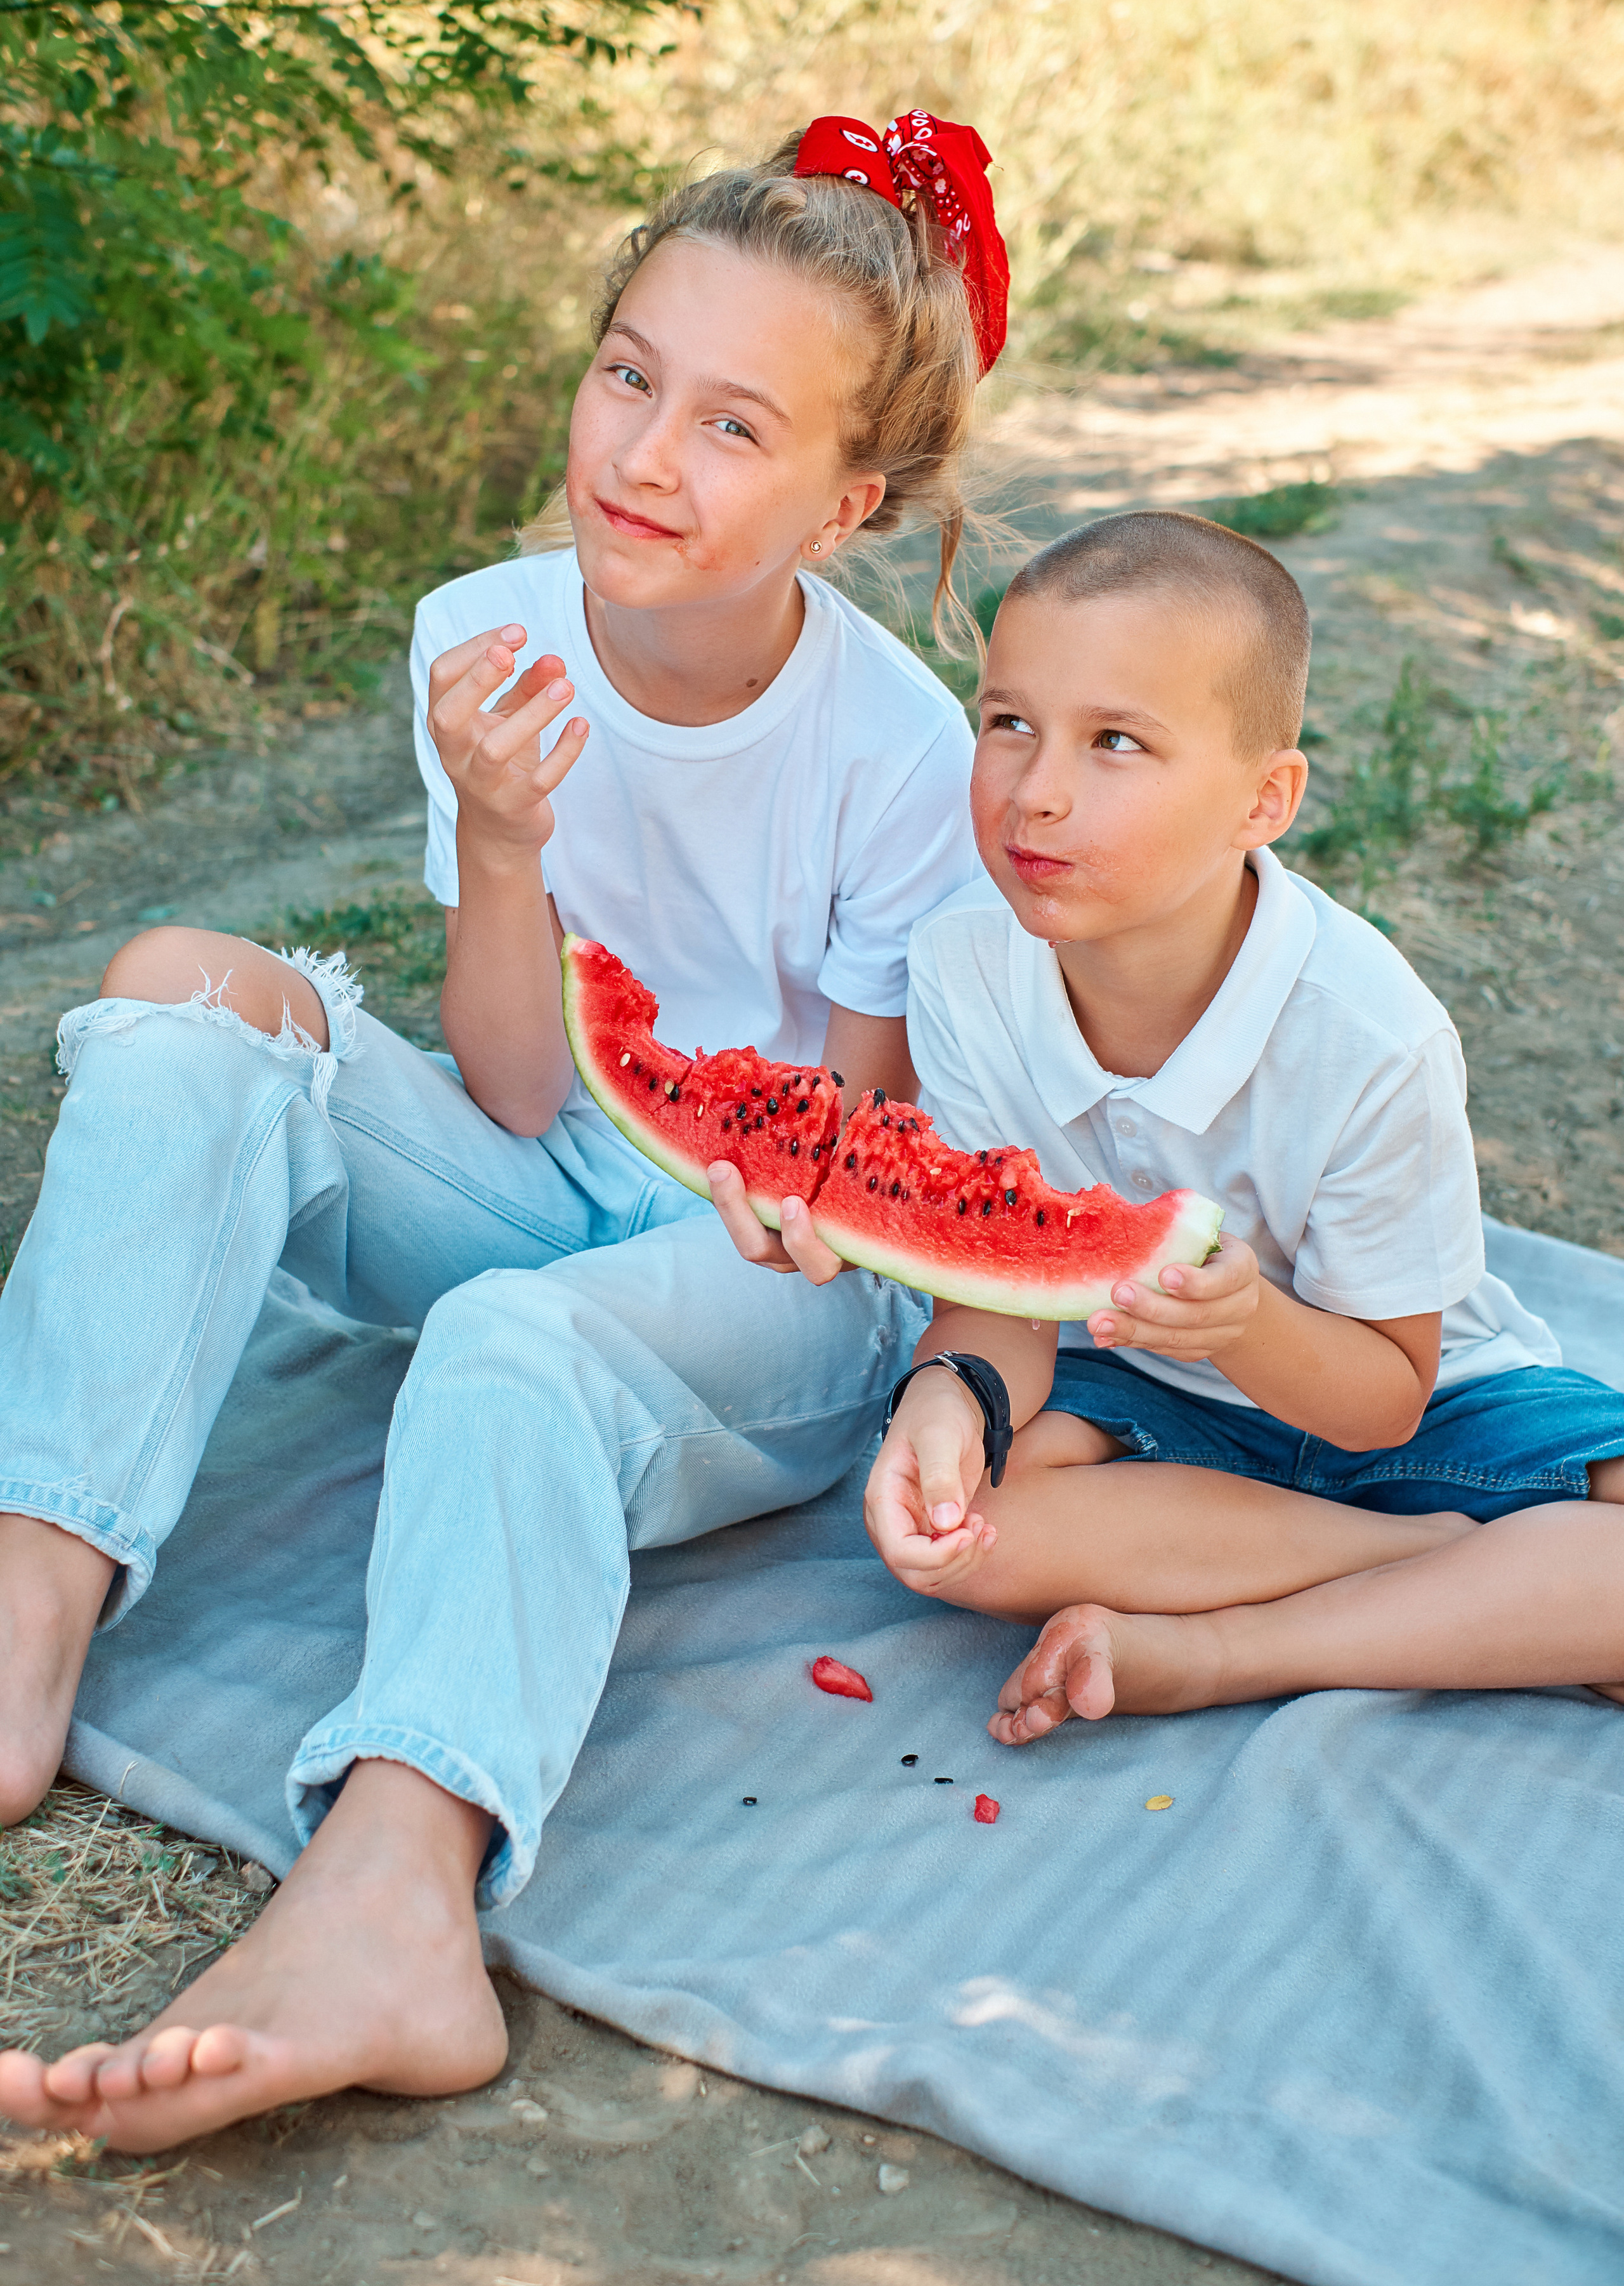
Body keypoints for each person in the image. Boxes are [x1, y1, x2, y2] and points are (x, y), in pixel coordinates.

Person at [0, 111, 1007, 2148]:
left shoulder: (902, 748)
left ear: (847, 499)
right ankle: (27, 1620)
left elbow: (856, 1164)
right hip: (545, 1162)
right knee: (179, 996)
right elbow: (526, 1088)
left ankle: (398, 1892)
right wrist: (506, 834)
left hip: (772, 1275)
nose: (643, 453)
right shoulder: (485, 627)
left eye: (735, 428)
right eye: (630, 372)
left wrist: (784, 1206)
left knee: (516, 1342)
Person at [860, 509, 1624, 1743]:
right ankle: (1452, 1561)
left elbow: (1382, 1397)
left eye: (1114, 741)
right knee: (965, 1539)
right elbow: (999, 1287)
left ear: (1260, 801)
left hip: (1405, 1389)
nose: (1036, 792)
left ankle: (1219, 1650)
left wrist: (1249, 1321)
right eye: (1007, 722)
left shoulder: (1369, 1034)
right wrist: (948, 1398)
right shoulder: (961, 967)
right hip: (1146, 1401)